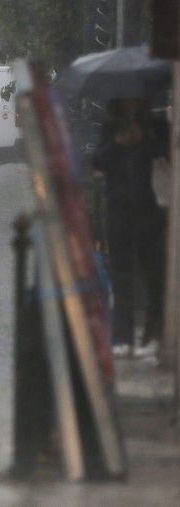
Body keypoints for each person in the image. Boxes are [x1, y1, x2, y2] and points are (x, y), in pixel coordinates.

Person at [92, 97, 169, 358]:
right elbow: (98, 161)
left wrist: (144, 140)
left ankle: (153, 334)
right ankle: (122, 337)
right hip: (119, 213)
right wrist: (118, 143)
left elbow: (167, 154)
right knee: (122, 277)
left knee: (154, 276)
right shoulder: (111, 127)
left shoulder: (155, 126)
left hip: (151, 212)